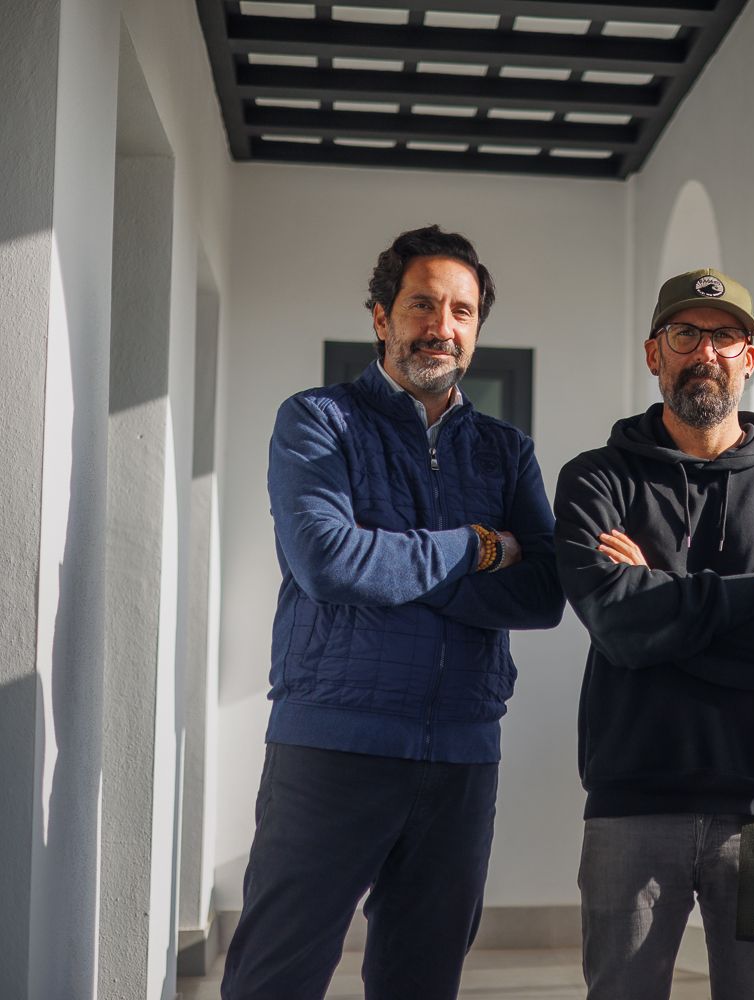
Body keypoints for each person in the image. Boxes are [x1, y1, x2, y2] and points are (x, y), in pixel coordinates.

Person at [221, 225, 565, 1000]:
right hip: (334, 742)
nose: (441, 326)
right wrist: (479, 547)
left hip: (462, 757)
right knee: (275, 976)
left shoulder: (506, 451)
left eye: (462, 311)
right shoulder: (318, 422)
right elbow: (330, 561)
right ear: (382, 317)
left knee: (422, 980)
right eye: (422, 305)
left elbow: (544, 594)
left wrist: (399, 561)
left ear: (477, 329)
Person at [552, 268, 754, 1000]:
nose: (705, 352)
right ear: (654, 353)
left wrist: (661, 603)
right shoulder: (596, 480)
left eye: (725, 337)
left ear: (749, 357)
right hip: (632, 800)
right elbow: (615, 624)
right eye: (686, 334)